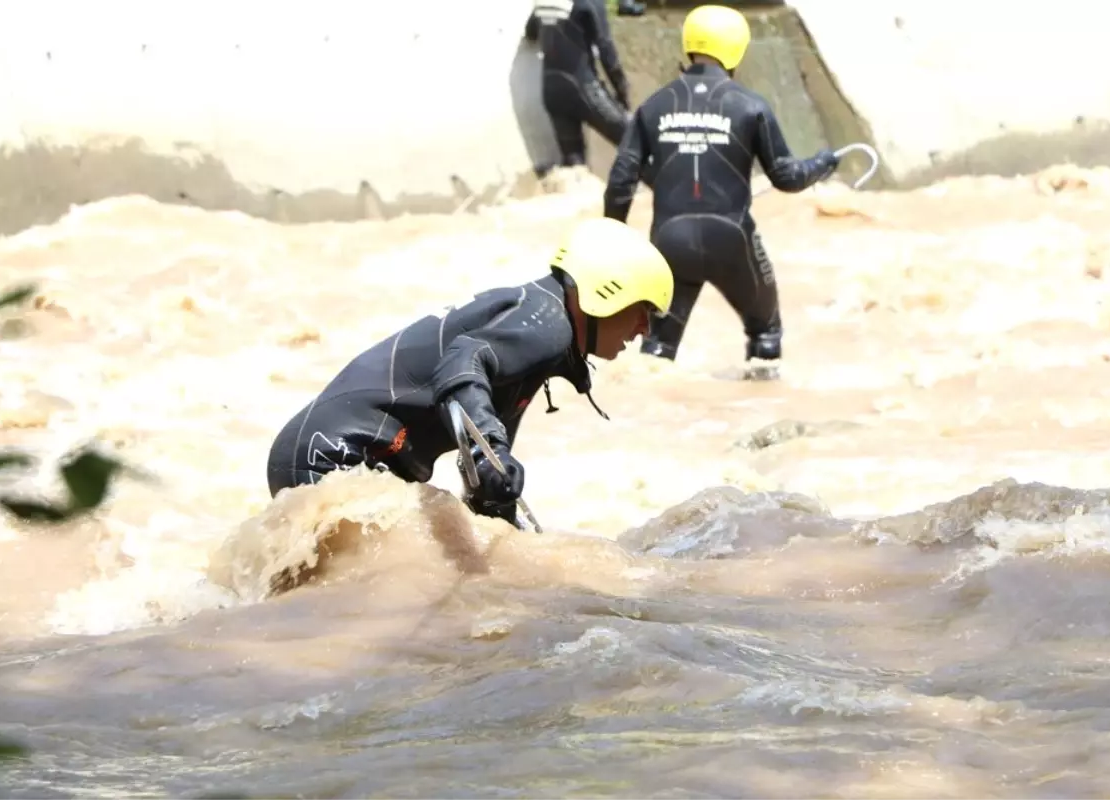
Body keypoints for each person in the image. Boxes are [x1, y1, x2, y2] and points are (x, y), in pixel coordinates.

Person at [265, 217, 674, 525]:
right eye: (643, 311)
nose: (644, 329)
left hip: (327, 454)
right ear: (608, 292)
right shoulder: (547, 324)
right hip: (334, 456)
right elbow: (464, 363)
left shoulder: (542, 326)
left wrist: (498, 502)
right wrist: (488, 452)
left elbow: (487, 474)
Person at [602, 4, 841, 368]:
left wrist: (613, 240)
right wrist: (824, 162)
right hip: (732, 241)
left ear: (688, 44)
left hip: (670, 243)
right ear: (737, 48)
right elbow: (788, 178)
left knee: (657, 349)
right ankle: (761, 410)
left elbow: (621, 182)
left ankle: (654, 416)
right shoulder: (751, 106)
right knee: (765, 329)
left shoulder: (654, 106)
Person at [523, 0, 639, 174]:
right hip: (582, 89)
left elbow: (530, 33)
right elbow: (606, 50)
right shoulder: (591, 3)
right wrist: (622, 91)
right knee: (635, 139)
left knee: (575, 166)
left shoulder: (544, 3)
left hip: (552, 91)